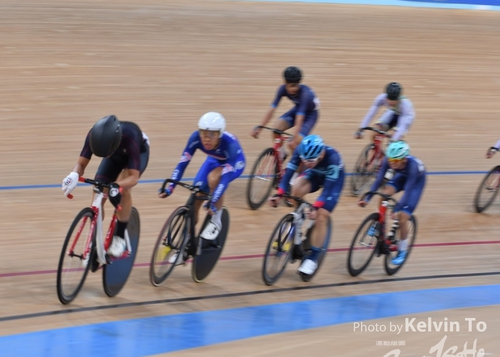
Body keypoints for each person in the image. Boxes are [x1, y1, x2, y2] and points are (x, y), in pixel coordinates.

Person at [61, 115, 150, 262]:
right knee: (98, 189)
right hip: (113, 155)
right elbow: (81, 164)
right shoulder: (93, 136)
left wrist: (117, 185)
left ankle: (120, 237)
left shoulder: (131, 135)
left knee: (124, 190)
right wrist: (74, 174)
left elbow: (133, 178)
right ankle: (94, 240)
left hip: (137, 152)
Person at [159, 112, 246, 263]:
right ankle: (184, 247)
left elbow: (224, 180)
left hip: (234, 164)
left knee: (214, 179)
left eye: (212, 135)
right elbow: (182, 164)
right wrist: (171, 187)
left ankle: (216, 220)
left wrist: (213, 200)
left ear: (219, 134)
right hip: (213, 160)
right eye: (203, 133)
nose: (206, 138)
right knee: (196, 196)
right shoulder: (195, 138)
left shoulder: (230, 145)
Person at [268, 135, 345, 276]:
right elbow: (288, 175)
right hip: (315, 174)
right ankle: (300, 216)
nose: (306, 163)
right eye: (304, 160)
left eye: (310, 160)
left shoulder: (333, 158)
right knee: (295, 189)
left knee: (321, 216)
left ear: (321, 154)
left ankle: (313, 258)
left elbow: (327, 191)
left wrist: (316, 207)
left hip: (333, 181)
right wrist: (279, 194)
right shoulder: (300, 151)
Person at [358, 141, 426, 266]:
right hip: (402, 177)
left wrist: (397, 209)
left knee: (403, 217)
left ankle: (402, 250)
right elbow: (378, 180)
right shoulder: (388, 160)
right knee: (384, 194)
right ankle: (378, 222)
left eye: (396, 160)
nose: (392, 163)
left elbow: (408, 191)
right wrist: (367, 198)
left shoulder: (412, 167)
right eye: (390, 160)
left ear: (404, 159)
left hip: (415, 183)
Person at [250, 66, 320, 159]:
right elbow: (272, 109)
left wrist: (295, 138)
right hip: (298, 109)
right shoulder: (282, 89)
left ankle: (297, 166)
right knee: (276, 130)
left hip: (310, 115)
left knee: (295, 144)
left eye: (296, 85)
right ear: (285, 82)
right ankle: (281, 155)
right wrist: (260, 127)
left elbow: (299, 118)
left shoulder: (305, 94)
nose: (294, 88)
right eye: (291, 85)